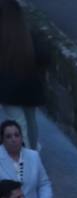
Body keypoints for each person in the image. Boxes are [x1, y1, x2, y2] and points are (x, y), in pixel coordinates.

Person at [0, 1, 46, 150]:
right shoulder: (30, 35)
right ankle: (33, 156)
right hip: (30, 89)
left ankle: (23, 163)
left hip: (9, 91)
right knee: (31, 121)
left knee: (18, 125)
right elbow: (44, 58)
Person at [0, 121, 50, 198]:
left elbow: (44, 184)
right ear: (2, 139)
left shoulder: (33, 156)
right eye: (8, 136)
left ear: (21, 137)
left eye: (17, 135)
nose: (14, 139)